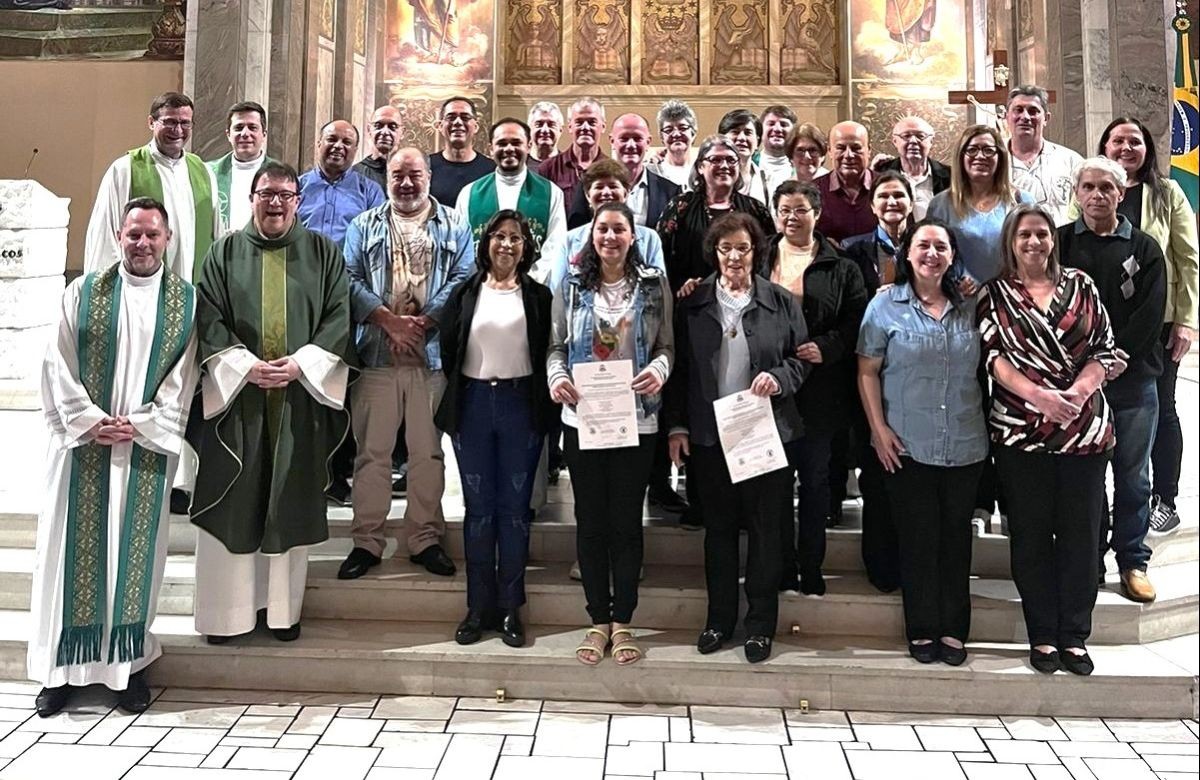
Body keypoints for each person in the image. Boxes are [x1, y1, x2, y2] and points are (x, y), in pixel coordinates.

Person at [30, 198, 199, 718]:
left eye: (152, 235)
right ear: (118, 236)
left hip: (142, 451)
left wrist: (142, 424)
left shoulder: (185, 303)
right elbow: (56, 360)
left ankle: (128, 669)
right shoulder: (81, 293)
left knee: (135, 562)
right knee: (66, 557)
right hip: (84, 448)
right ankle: (62, 672)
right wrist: (86, 419)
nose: (143, 243)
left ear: (167, 239)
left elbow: (185, 375)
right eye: (134, 235)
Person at [190, 161, 352, 644]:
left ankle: (281, 613)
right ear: (252, 198)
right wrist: (242, 366)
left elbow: (338, 316)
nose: (275, 202)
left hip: (298, 399)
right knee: (234, 497)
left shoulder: (322, 253)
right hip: (239, 399)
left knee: (286, 497)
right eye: (267, 193)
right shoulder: (223, 253)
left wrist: (301, 364)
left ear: (298, 201)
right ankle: (228, 615)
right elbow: (208, 317)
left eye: (285, 194)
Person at [979, 204, 1120, 676]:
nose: (1035, 242)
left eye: (1041, 234)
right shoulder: (995, 294)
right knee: (1032, 535)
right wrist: (1040, 397)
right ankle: (1041, 632)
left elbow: (1104, 347)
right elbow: (993, 358)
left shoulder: (1082, 285)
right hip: (1021, 432)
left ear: (1052, 239)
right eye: (1025, 236)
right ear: (1011, 243)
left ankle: (1074, 633)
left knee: (1082, 535)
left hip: (1084, 429)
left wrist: (1076, 395)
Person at [666, 212, 808, 663]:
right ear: (714, 252)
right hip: (711, 437)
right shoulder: (693, 301)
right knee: (719, 533)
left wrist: (779, 377)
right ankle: (719, 620)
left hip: (765, 433)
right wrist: (678, 426)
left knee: (767, 533)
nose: (733, 257)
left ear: (756, 251)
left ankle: (760, 625)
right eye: (725, 248)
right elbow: (680, 370)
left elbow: (801, 361)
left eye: (742, 248)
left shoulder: (781, 302)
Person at [857, 219, 988, 666]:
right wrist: (878, 430)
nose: (931, 254)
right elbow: (867, 371)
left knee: (956, 540)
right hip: (907, 444)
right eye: (922, 246)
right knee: (917, 541)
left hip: (966, 443)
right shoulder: (884, 307)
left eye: (941, 247)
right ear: (907, 254)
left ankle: (954, 629)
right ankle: (922, 628)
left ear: (952, 255)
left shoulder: (972, 305)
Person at [340, 147, 475, 580]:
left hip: (429, 357)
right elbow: (349, 277)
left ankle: (424, 538)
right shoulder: (364, 225)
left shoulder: (455, 223)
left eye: (414, 174)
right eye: (397, 174)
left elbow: (462, 278)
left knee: (426, 453)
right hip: (377, 354)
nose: (406, 182)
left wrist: (422, 324)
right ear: (387, 178)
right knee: (373, 454)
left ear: (429, 176)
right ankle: (367, 540)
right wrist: (388, 323)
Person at [548, 202, 673, 666]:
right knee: (591, 519)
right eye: (603, 229)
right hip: (583, 419)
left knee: (625, 520)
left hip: (636, 418)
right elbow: (556, 346)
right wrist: (556, 378)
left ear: (632, 235)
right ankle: (597, 618)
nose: (610, 237)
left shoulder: (655, 285)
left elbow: (666, 347)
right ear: (592, 235)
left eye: (619, 228)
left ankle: (624, 620)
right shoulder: (573, 284)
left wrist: (659, 369)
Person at [435, 210, 553, 647]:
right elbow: (450, 346)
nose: (506, 244)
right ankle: (476, 607)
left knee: (515, 511)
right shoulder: (466, 293)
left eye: (515, 238)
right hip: (474, 404)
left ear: (526, 247)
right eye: (499, 236)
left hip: (522, 404)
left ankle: (510, 609)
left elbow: (545, 350)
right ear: (486, 243)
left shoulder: (539, 297)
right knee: (479, 511)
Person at [1058, 157, 1167, 604]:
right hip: (1074, 383)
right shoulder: (1060, 244)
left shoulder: (1144, 248)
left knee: (1133, 475)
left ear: (1121, 194)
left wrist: (1112, 359)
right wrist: (1085, 366)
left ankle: (1132, 560)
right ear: (1077, 192)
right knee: (1084, 477)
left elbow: (1150, 313)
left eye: (1107, 187)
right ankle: (1087, 559)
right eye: (1089, 186)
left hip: (1131, 380)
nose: (1097, 195)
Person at [1095, 117, 1198, 535]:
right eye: (1116, 140)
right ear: (1104, 147)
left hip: (1159, 321)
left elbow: (1188, 259)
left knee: (1162, 406)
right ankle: (1101, 502)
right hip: (1099, 325)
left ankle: (1165, 497)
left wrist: (1187, 321)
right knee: (1102, 412)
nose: (1125, 148)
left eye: (1134, 141)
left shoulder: (1166, 193)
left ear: (1147, 149)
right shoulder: (1090, 188)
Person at [768, 181, 868, 595]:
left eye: (801, 210)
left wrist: (825, 347)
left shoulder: (840, 265)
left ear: (817, 213)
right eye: (785, 210)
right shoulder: (758, 257)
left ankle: (810, 565)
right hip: (768, 388)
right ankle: (775, 565)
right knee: (772, 487)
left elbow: (857, 321)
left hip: (820, 390)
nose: (792, 217)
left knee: (814, 483)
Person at [841, 172, 916, 592]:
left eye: (899, 195)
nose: (891, 201)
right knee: (875, 472)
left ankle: (912, 560)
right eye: (884, 195)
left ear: (910, 201)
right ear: (872, 205)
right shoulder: (853, 252)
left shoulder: (926, 245)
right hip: (867, 366)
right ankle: (882, 566)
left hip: (912, 371)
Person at [85, 92, 220, 281]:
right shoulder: (125, 169)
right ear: (151, 122)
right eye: (170, 122)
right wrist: (108, 290)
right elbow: (105, 236)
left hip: (195, 292)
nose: (178, 130)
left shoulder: (204, 173)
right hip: (139, 291)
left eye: (185, 123)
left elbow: (218, 238)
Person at [658, 135, 776, 295]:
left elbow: (767, 257)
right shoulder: (680, 207)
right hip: (691, 301)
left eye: (731, 160)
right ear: (700, 166)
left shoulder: (755, 209)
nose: (724, 165)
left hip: (745, 299)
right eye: (716, 160)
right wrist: (681, 284)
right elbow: (661, 256)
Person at [927, 124, 1035, 286]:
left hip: (1012, 298)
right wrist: (952, 282)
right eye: (972, 150)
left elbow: (1036, 252)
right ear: (961, 156)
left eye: (988, 150)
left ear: (1000, 156)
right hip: (960, 299)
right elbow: (930, 255)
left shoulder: (1021, 201)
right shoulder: (940, 204)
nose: (980, 156)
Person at [547, 158, 666, 294]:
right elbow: (557, 291)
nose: (606, 192)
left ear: (626, 193)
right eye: (599, 187)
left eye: (613, 186)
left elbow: (659, 291)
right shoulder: (569, 240)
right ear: (587, 195)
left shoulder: (650, 239)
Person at [456, 118, 568, 259]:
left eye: (516, 143)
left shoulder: (552, 192)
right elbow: (461, 249)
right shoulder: (469, 194)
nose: (509, 149)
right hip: (483, 280)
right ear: (491, 149)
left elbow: (556, 248)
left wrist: (525, 280)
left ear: (528, 146)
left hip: (535, 279)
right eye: (502, 143)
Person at [566, 112, 680, 230]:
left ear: (648, 142)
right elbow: (576, 232)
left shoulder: (670, 192)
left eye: (637, 138)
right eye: (624, 139)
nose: (631, 145)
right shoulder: (590, 183)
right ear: (612, 141)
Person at [297, 119, 385, 246]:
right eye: (331, 139)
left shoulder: (370, 191)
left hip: (349, 265)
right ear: (319, 144)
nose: (338, 146)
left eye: (347, 142)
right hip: (304, 263)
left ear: (355, 150)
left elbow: (377, 239)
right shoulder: (296, 187)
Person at [1006, 85, 1083, 226]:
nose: (1025, 117)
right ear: (1007, 117)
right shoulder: (995, 163)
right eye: (1018, 110)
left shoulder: (1071, 161)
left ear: (1046, 118)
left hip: (1062, 244)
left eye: (1033, 111)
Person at [207, 100, 272, 234]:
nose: (245, 133)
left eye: (252, 127)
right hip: (220, 250)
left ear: (264, 134)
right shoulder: (208, 172)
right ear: (228, 134)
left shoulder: (279, 175)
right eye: (238, 127)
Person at [873, 115, 950, 220]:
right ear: (895, 141)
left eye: (920, 136)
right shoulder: (881, 173)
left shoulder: (950, 175)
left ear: (931, 141)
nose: (913, 141)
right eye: (906, 136)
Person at [813, 121, 876, 243]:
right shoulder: (813, 191)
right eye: (841, 148)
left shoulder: (887, 188)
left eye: (856, 148)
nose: (848, 155)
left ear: (868, 150)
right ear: (830, 151)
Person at [538, 97, 607, 206]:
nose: (585, 127)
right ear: (570, 127)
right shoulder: (548, 168)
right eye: (579, 122)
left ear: (603, 127)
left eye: (591, 122)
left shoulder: (612, 169)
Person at [429, 96, 496, 206]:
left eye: (465, 117)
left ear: (476, 126)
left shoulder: (492, 170)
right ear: (440, 126)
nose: (458, 122)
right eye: (451, 117)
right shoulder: (426, 167)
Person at [718, 109, 768, 203]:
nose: (741, 138)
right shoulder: (710, 176)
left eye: (748, 132)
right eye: (735, 132)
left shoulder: (767, 179)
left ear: (757, 141)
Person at [352, 105, 403, 190]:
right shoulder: (354, 174)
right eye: (378, 126)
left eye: (392, 127)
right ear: (369, 129)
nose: (385, 132)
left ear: (402, 132)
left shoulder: (410, 172)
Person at [650, 99, 699, 188]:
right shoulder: (652, 172)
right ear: (661, 137)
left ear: (693, 133)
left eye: (682, 128)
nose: (676, 134)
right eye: (669, 130)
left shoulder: (703, 171)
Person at [759, 105, 799, 202]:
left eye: (783, 124)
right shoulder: (748, 166)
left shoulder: (803, 168)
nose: (777, 129)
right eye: (771, 124)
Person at [528, 101, 564, 167]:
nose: (545, 130)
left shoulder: (571, 168)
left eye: (551, 124)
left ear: (560, 130)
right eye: (539, 124)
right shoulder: (518, 167)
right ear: (529, 129)